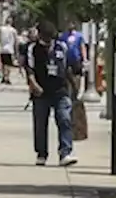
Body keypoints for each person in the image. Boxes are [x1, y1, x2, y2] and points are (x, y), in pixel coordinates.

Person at [27, 20, 79, 167]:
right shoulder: (33, 49)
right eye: (45, 37)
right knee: (40, 124)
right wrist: (34, 85)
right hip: (41, 92)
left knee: (64, 119)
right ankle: (41, 154)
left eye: (50, 37)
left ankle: (65, 153)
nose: (48, 40)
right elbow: (29, 70)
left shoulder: (61, 47)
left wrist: (74, 87)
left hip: (60, 90)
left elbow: (68, 67)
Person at [64, 22, 89, 93]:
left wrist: (84, 59)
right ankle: (69, 92)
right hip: (66, 60)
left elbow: (82, 47)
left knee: (77, 77)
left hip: (76, 60)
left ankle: (76, 92)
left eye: (71, 24)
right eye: (69, 24)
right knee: (67, 77)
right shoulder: (63, 36)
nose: (70, 25)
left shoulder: (79, 36)